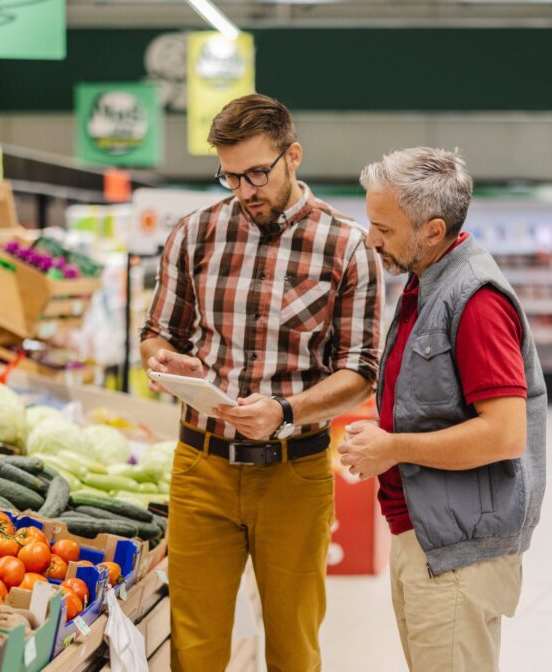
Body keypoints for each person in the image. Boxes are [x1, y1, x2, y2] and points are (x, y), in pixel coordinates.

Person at [139, 93, 382, 672]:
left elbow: (360, 371)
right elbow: (156, 334)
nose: (245, 190)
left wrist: (285, 411)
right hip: (201, 468)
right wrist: (166, 361)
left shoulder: (346, 246)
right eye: (230, 176)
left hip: (294, 472)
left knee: (293, 649)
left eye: (256, 172)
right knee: (193, 650)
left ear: (292, 155)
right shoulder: (195, 234)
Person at [338, 147, 547, 672]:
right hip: (430, 533)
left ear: (432, 230)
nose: (371, 239)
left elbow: (504, 435)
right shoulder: (425, 283)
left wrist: (393, 448)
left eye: (383, 227)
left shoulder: (474, 300)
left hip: (458, 552)